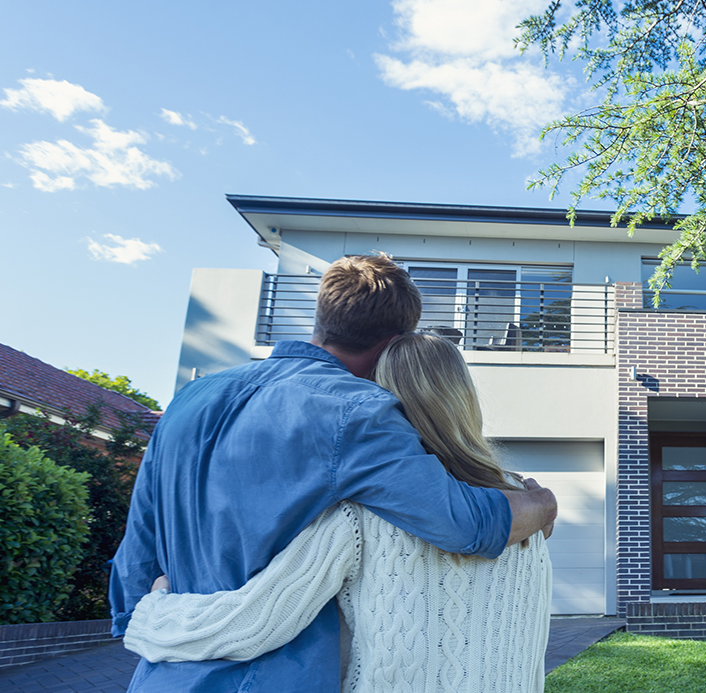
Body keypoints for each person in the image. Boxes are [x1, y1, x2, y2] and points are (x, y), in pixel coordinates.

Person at [109, 255, 557, 692]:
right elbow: (461, 523)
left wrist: (148, 625)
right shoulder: (359, 413)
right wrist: (540, 503)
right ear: (394, 343)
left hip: (161, 670)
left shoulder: (190, 400)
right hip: (275, 676)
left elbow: (137, 553)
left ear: (322, 317)